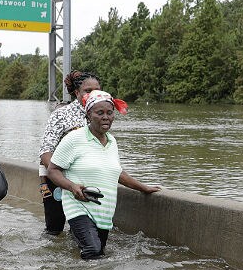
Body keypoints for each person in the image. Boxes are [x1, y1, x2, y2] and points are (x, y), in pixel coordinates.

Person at [47, 90, 161, 259]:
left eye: (109, 112)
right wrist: (72, 187)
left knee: (98, 253)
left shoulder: (112, 141)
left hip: (104, 210)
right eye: (99, 113)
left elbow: (117, 172)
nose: (106, 117)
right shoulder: (74, 139)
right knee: (92, 250)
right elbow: (52, 170)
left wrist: (144, 188)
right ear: (88, 115)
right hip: (79, 205)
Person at [39, 71, 101, 235]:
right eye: (88, 91)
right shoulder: (61, 114)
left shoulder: (101, 114)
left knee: (83, 229)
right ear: (77, 93)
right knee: (55, 228)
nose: (93, 94)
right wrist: (63, 179)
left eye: (97, 90)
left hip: (84, 178)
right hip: (55, 177)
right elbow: (46, 151)